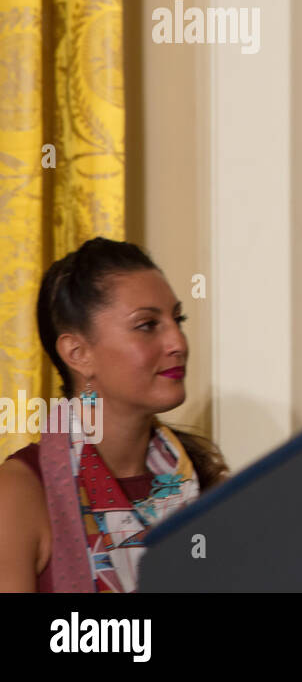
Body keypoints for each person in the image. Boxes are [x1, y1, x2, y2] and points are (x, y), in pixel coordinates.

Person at [0, 238, 227, 592]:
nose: (178, 342)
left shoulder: (205, 482)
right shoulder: (19, 493)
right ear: (78, 353)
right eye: (147, 325)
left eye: (177, 319)